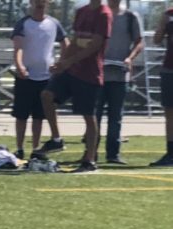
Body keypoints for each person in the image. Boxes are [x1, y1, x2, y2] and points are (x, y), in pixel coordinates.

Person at [45, 0, 112, 172]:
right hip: (71, 70)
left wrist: (68, 62)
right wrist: (61, 63)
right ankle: (56, 139)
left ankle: (89, 160)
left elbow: (95, 46)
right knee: (47, 95)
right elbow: (75, 41)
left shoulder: (104, 14)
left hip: (90, 73)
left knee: (89, 116)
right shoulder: (82, 11)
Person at [10, 0, 66, 159]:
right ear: (31, 3)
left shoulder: (54, 23)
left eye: (43, 1)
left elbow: (65, 44)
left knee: (39, 116)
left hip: (46, 77)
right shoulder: (23, 24)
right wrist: (20, 65)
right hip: (26, 76)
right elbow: (18, 47)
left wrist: (60, 64)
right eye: (36, 1)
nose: (40, 4)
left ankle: (35, 148)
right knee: (21, 115)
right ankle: (19, 148)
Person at [97, 0, 143, 165]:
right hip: (98, 74)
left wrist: (129, 58)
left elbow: (139, 42)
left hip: (119, 75)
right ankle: (90, 153)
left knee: (115, 116)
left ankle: (113, 154)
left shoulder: (130, 16)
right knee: (94, 116)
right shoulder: (100, 13)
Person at [155, 5, 173, 165]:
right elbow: (157, 39)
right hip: (170, 68)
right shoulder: (168, 14)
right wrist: (163, 23)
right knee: (169, 112)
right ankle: (170, 152)